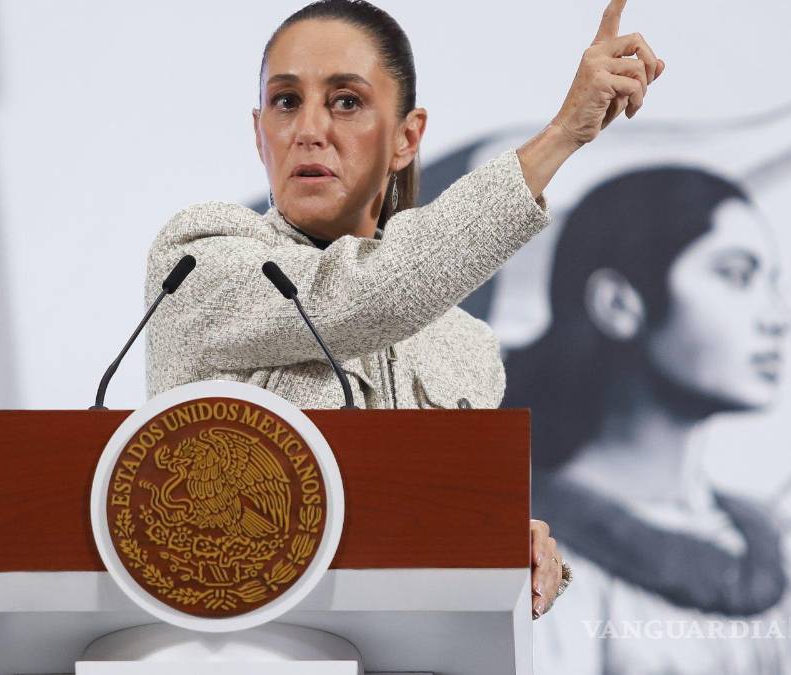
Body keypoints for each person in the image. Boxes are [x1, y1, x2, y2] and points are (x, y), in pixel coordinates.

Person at [145, 0, 664, 620]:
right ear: (260, 133)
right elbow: (365, 295)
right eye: (286, 101)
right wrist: (561, 137)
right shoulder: (196, 259)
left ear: (407, 138)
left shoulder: (468, 348)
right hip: (242, 645)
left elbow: (435, 523)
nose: (309, 129)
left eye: (345, 101)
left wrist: (517, 552)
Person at [514, 167, 791, 673]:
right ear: (618, 303)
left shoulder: (784, 553)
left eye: (771, 283)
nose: (778, 317)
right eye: (736, 275)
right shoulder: (536, 555)